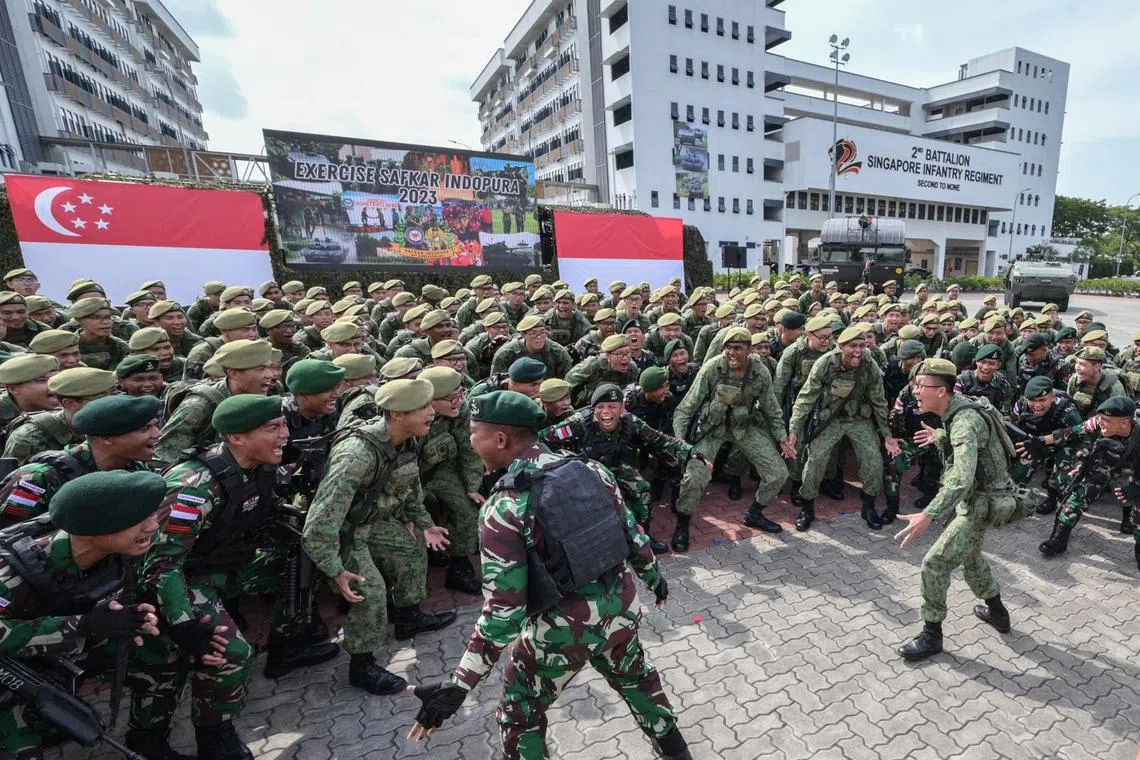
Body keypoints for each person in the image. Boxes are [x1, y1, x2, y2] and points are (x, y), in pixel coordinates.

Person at [408, 391, 690, 760]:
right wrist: (655, 581)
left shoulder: (505, 507)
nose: (471, 441)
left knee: (519, 716)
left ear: (501, 439)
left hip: (560, 633)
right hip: (619, 610)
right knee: (640, 682)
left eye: (474, 433)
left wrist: (459, 684)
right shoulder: (592, 470)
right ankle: (677, 752)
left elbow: (504, 613)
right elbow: (633, 536)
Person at [136, 394, 339, 759]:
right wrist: (184, 623)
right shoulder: (193, 486)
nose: (284, 435)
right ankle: (213, 737)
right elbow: (161, 565)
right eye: (272, 428)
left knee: (303, 560)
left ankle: (287, 646)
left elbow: (265, 510)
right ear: (236, 437)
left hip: (228, 566)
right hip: (182, 580)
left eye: (284, 425)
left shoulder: (261, 464)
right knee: (229, 653)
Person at [0, 470, 170, 759]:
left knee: (163, 658)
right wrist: (83, 625)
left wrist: (131, 617)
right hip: (11, 667)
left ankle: (149, 741)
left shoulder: (119, 551)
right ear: (93, 531)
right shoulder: (10, 572)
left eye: (153, 514)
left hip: (51, 653)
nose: (153, 525)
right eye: (139, 520)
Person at [303, 379, 457, 697]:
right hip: (342, 534)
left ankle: (409, 618)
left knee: (411, 549)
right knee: (370, 591)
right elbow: (320, 523)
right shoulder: (356, 455)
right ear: (397, 414)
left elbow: (410, 487)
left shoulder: (407, 440)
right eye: (423, 407)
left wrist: (424, 524)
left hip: (372, 522)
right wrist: (334, 568)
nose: (432, 412)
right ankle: (362, 666)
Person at [894, 358, 1023, 660]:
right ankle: (998, 613)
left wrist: (928, 514)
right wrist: (939, 436)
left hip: (979, 505)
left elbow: (961, 479)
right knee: (971, 558)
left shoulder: (964, 422)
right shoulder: (960, 408)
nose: (915, 391)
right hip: (982, 498)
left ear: (941, 391)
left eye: (920, 386)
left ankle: (931, 636)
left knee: (934, 563)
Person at [540, 383, 710, 554]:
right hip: (583, 472)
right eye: (600, 407)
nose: (606, 412)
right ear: (593, 409)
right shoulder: (577, 423)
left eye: (612, 407)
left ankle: (641, 538)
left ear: (622, 409)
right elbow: (542, 439)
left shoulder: (630, 421)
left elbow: (659, 439)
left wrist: (691, 451)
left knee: (642, 490)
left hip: (612, 465)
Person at [673, 327, 792, 550]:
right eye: (728, 348)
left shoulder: (760, 372)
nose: (732, 353)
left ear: (749, 350)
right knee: (695, 476)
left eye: (738, 348)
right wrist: (681, 442)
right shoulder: (712, 368)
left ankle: (755, 513)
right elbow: (686, 408)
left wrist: (782, 437)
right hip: (712, 428)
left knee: (778, 473)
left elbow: (771, 408)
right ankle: (683, 522)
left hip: (744, 426)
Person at [788, 325, 900, 531]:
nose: (858, 351)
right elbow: (805, 398)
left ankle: (868, 506)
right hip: (830, 419)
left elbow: (879, 402)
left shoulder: (869, 365)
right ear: (841, 347)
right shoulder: (825, 364)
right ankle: (807, 507)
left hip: (858, 419)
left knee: (873, 459)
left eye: (862, 346)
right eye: (852, 346)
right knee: (815, 460)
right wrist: (794, 430)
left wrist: (887, 435)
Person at [0, 394, 159, 528]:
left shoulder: (138, 471)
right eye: (144, 429)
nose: (158, 434)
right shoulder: (39, 479)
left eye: (155, 426)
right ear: (106, 438)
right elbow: (6, 533)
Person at [1033, 395, 1140, 563]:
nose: (1100, 422)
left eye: (1106, 420)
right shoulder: (1098, 422)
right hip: (1104, 462)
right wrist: (1041, 441)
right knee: (1076, 497)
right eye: (1100, 418)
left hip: (1134, 471)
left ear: (1124, 423)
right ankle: (1058, 540)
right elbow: (1072, 432)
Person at [154, 339, 275, 464]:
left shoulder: (269, 394)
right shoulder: (199, 405)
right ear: (233, 373)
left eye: (270, 367)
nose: (270, 375)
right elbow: (162, 457)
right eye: (261, 369)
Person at [4, 367, 117, 462]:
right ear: (69, 403)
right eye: (101, 399)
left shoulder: (119, 422)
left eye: (115, 395)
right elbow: (12, 479)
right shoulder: (28, 438)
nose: (113, 403)